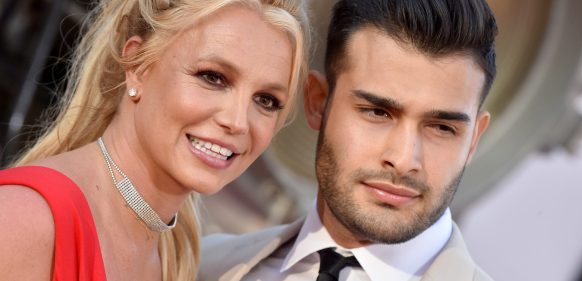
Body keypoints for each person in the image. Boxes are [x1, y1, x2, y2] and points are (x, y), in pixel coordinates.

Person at [0, 0, 310, 280]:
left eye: (266, 100)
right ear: (137, 66)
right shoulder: (25, 220)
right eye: (213, 77)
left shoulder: (175, 254)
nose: (238, 121)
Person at [198, 0, 498, 280]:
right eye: (377, 112)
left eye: (442, 128)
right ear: (317, 102)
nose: (405, 159)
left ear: (473, 139)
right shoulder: (204, 267)